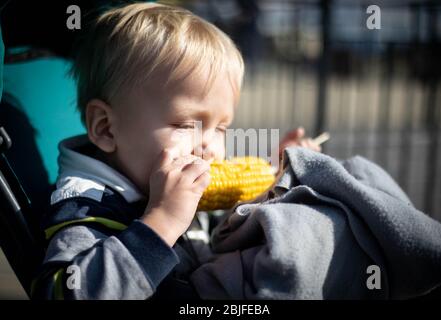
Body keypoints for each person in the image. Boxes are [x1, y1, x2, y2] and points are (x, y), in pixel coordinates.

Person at [32, 2, 320, 300]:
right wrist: (161, 223)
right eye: (185, 124)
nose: (209, 148)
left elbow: (223, 234)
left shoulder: (168, 178)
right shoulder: (87, 208)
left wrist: (275, 176)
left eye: (220, 128)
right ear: (106, 128)